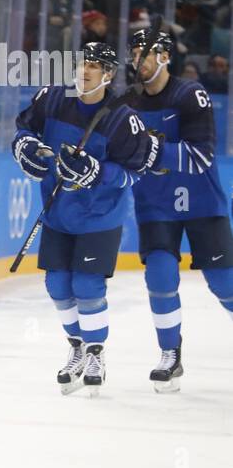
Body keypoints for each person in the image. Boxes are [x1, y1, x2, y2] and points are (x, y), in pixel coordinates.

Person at [11, 42, 160, 395]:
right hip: (57, 212)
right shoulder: (52, 98)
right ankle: (77, 346)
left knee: (88, 287)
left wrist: (99, 173)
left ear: (108, 75)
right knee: (57, 287)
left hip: (99, 218)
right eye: (81, 63)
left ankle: (95, 353)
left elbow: (136, 171)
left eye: (93, 66)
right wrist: (24, 147)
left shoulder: (123, 118)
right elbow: (23, 129)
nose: (84, 70)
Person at [124, 28, 233, 392]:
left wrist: (150, 149)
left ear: (166, 57)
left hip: (202, 203)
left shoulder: (191, 94)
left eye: (146, 52)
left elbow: (201, 156)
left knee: (224, 284)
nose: (138, 59)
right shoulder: (128, 103)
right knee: (160, 274)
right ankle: (170, 354)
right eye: (134, 52)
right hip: (155, 203)